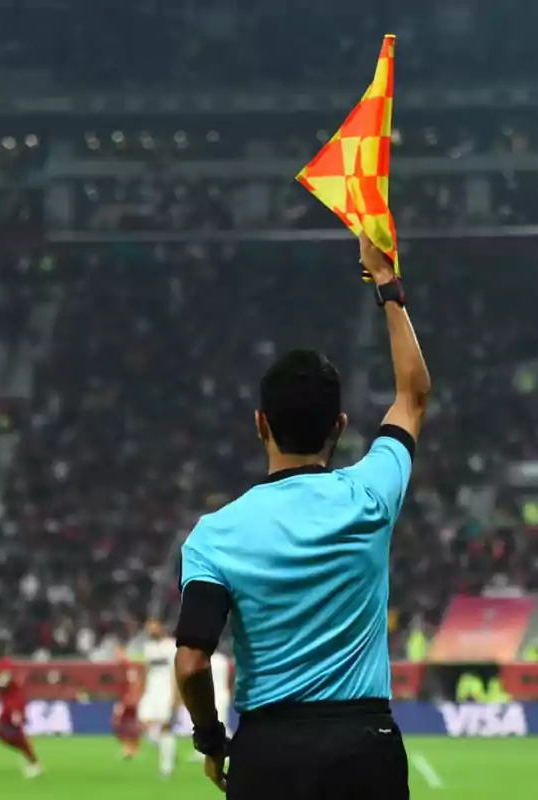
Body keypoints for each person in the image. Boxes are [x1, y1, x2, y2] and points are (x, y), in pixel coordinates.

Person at [174, 234, 428, 799]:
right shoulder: (371, 494)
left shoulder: (214, 537)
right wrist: (387, 284)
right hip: (367, 745)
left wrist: (211, 739)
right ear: (339, 426)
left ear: (260, 423)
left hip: (269, 752)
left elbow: (192, 661)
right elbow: (412, 395)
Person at [0, 640, 42, 778]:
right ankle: (29, 756)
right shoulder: (3, 664)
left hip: (14, 705)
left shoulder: (5, 664)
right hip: (9, 704)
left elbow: (3, 682)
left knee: (12, 733)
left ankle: (34, 762)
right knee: (0, 732)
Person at [137, 619, 180, 778]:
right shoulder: (148, 648)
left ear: (161, 628)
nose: (151, 631)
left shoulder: (171, 646)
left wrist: (176, 697)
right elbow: (146, 671)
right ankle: (169, 751)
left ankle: (166, 768)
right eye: (149, 628)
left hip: (166, 691)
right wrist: (142, 691)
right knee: (144, 724)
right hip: (151, 692)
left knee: (165, 729)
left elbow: (176, 672)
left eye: (154, 628)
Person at [113, 655, 144, 759]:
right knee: (123, 726)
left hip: (132, 702)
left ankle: (131, 749)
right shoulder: (124, 671)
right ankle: (129, 748)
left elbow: (135, 686)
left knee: (127, 725)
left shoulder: (131, 670)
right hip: (129, 701)